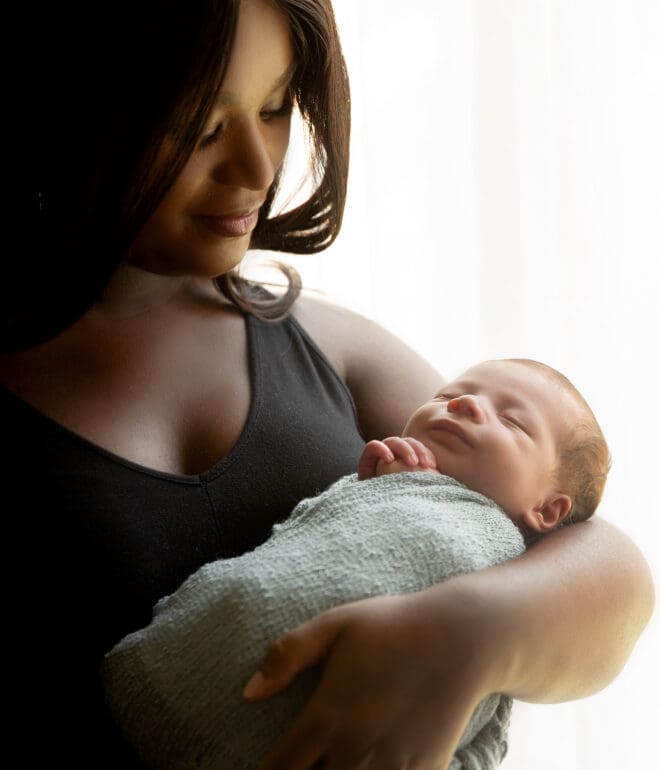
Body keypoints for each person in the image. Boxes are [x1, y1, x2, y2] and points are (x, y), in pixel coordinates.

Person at [2, 1, 653, 769]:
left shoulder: (326, 343)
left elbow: (605, 562)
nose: (256, 166)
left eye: (276, 108)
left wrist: (470, 633)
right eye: (198, 128)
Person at [101, 357, 610, 770]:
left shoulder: (522, 571)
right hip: (183, 669)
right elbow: (311, 536)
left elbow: (489, 718)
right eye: (447, 395)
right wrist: (383, 485)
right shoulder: (386, 479)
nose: (465, 404)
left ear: (548, 510)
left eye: (513, 421)